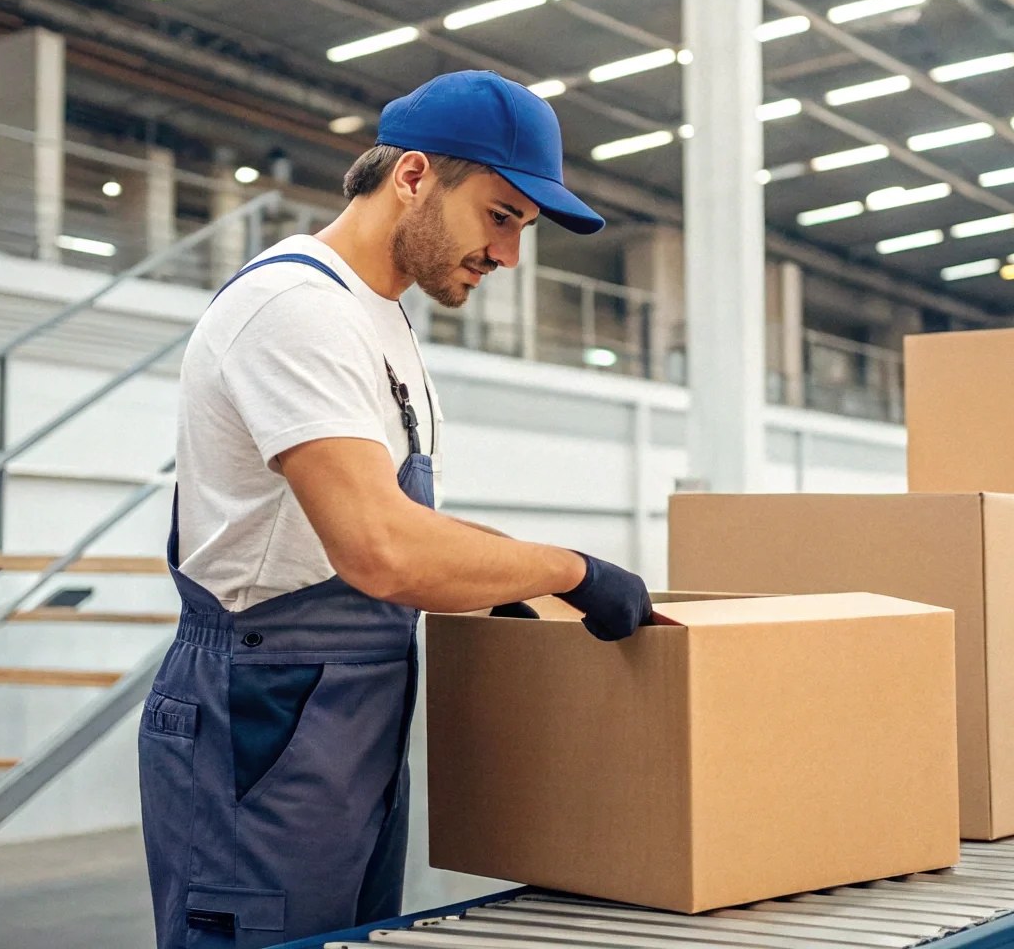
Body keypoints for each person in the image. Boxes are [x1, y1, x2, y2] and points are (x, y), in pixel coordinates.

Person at [138, 71, 654, 949]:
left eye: (523, 231)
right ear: (413, 176)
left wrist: (506, 577)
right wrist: (573, 572)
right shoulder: (294, 309)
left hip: (354, 709)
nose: (509, 258)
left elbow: (409, 524)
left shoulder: (376, 317)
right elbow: (380, 549)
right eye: (500, 217)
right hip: (262, 716)